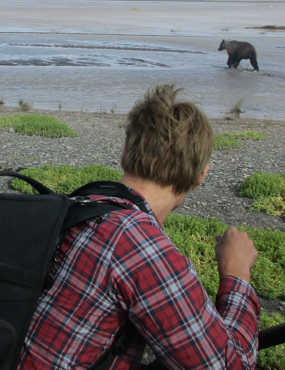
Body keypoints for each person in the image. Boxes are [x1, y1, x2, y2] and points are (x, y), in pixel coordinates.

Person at [17, 85, 260, 370]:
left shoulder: (78, 205)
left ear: (124, 151)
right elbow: (228, 366)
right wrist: (237, 274)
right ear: (200, 175)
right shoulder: (141, 249)